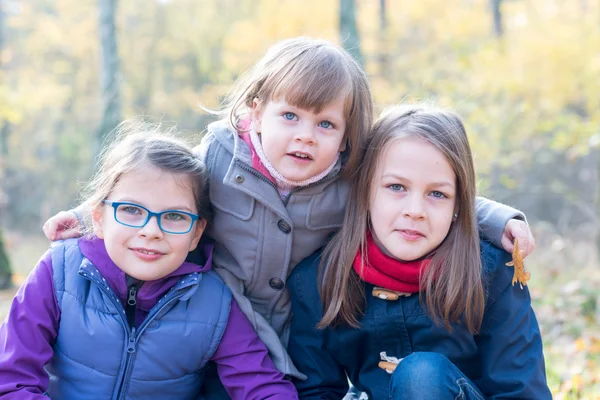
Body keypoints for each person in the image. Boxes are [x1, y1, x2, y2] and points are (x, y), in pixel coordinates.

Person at [42, 38, 534, 387]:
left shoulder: (349, 185)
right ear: (255, 112)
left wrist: (495, 220)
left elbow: (422, 187)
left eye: (325, 124)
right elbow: (158, 191)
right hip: (212, 327)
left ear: (346, 137)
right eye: (290, 116)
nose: (305, 135)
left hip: (285, 347)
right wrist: (89, 218)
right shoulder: (218, 160)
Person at [0, 121, 298, 400]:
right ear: (99, 218)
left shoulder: (214, 302)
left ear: (197, 233)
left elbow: (261, 384)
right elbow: (11, 379)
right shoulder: (59, 272)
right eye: (131, 210)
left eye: (175, 216)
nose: (151, 231)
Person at [287, 104, 551, 399]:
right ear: (365, 191)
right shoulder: (320, 277)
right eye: (396, 187)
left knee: (422, 376)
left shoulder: (490, 272)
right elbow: (315, 390)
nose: (415, 211)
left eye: (437, 194)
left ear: (458, 204)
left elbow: (522, 391)